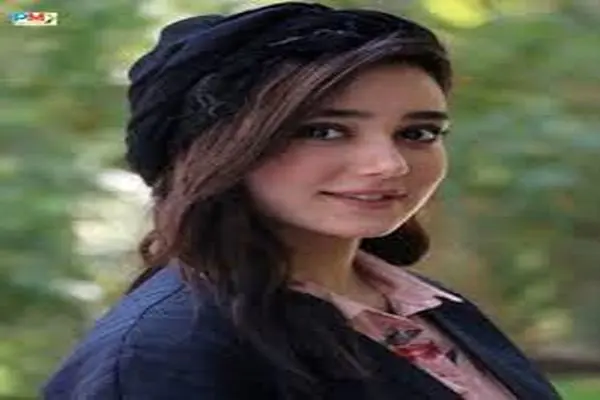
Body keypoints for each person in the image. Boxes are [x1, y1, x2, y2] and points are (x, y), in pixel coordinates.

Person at [43, 2, 561, 399]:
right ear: (217, 149)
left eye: (418, 133)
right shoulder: (163, 355)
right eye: (324, 131)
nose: (390, 164)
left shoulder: (429, 305)